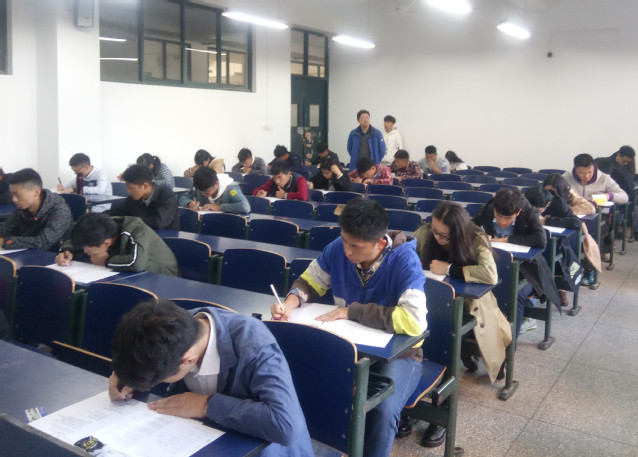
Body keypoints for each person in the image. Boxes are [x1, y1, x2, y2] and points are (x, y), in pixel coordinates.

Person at [271, 198, 428, 456]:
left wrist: (352, 311)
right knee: (296, 382)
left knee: (383, 410)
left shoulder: (405, 261)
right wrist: (290, 302)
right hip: (348, 350)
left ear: (379, 244)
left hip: (400, 356)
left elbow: (414, 321)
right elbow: (310, 281)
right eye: (344, 241)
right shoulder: (338, 249)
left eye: (355, 246)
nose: (347, 251)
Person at [109, 299, 314, 457]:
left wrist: (206, 405)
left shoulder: (254, 344)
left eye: (160, 379)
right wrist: (125, 373)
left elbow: (286, 426)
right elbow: (149, 346)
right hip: (204, 440)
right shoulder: (175, 327)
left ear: (187, 360)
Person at [413, 201, 511, 384]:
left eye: (445, 236)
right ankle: (435, 371)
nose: (438, 238)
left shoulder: (476, 238)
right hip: (432, 298)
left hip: (470, 302)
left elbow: (490, 274)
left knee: (447, 330)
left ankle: (446, 377)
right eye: (435, 231)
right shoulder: (425, 232)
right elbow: (407, 253)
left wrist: (449, 269)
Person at [472, 188, 559, 341]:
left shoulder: (528, 213)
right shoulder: (489, 208)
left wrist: (503, 240)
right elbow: (470, 226)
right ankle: (479, 337)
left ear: (518, 212)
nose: (502, 221)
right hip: (496, 265)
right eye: (498, 216)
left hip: (526, 270)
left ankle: (510, 345)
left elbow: (541, 240)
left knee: (515, 293)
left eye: (508, 218)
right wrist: (480, 235)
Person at [55, 213, 178, 276]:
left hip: (162, 278)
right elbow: (78, 239)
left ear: (107, 243)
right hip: (131, 276)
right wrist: (66, 250)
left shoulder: (137, 230)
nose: (84, 251)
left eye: (87, 250)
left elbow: (136, 263)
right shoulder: (101, 227)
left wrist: (106, 261)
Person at [525, 187, 582, 306]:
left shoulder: (557, 203)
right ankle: (533, 292)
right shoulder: (525, 201)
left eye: (538, 210)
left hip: (555, 244)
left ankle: (550, 289)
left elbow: (576, 223)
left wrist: (546, 221)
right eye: (532, 209)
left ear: (547, 204)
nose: (535, 212)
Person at [543, 174, 601, 286]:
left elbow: (589, 208)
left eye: (553, 192)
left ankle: (559, 283)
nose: (550, 195)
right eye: (547, 191)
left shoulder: (569, 198)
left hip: (567, 237)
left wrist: (566, 210)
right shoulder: (542, 199)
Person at [0, 168, 72, 251]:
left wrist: (4, 241)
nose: (13, 199)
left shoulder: (60, 211)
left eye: (17, 194)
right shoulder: (23, 208)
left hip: (52, 256)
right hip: (25, 253)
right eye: (12, 194)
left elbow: (42, 242)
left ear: (36, 192)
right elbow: (8, 228)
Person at [109, 165, 179, 230]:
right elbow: (114, 212)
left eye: (130, 188)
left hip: (166, 236)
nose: (128, 191)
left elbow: (158, 222)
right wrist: (103, 217)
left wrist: (130, 220)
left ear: (145, 186)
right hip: (143, 234)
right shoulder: (134, 198)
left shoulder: (167, 196)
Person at [179, 167, 249, 214]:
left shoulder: (231, 189)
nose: (203, 194)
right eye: (200, 191)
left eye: (206, 192)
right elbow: (184, 197)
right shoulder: (200, 185)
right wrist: (189, 203)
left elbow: (245, 206)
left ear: (216, 184)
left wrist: (219, 207)